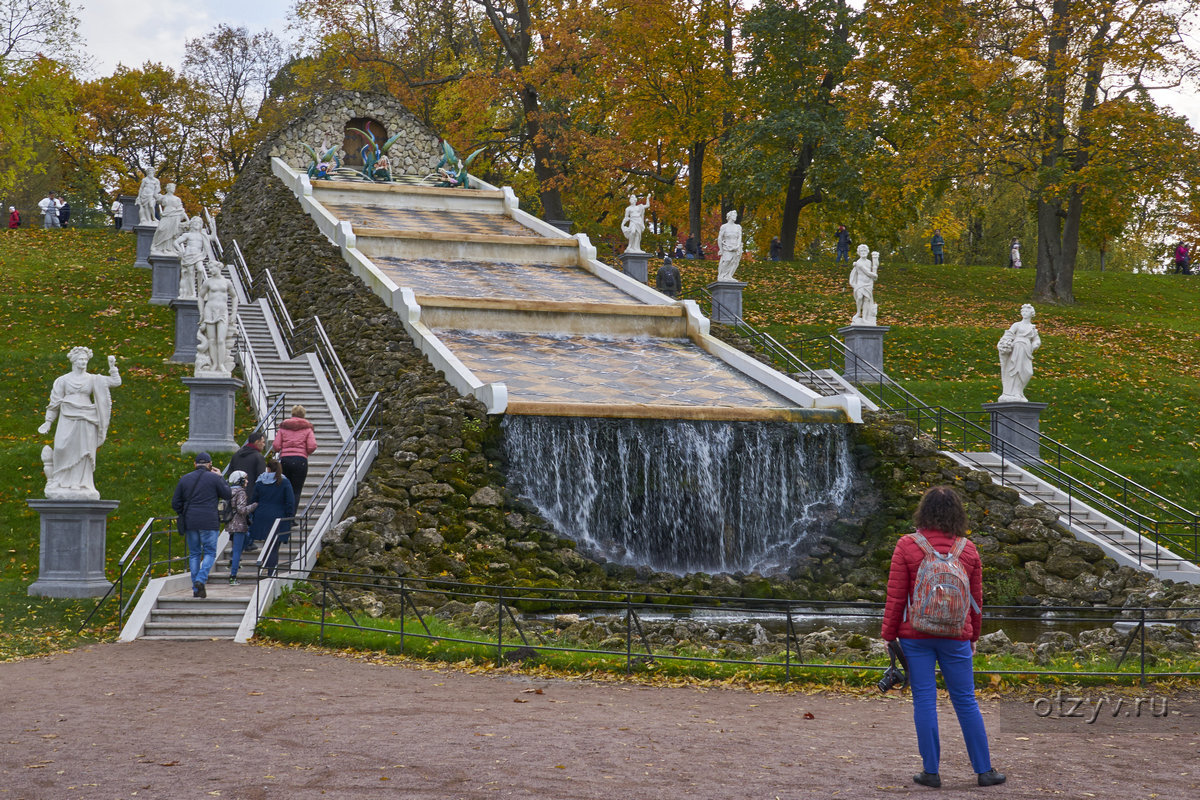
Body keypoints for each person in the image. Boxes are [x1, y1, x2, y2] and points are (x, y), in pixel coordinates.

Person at [882, 486, 1005, 789]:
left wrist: (888, 635)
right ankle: (984, 770)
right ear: (957, 514)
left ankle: (931, 772)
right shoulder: (968, 549)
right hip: (956, 636)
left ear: (923, 512)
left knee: (925, 700)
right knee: (966, 701)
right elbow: (976, 601)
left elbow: (896, 597)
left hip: (915, 635)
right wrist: (973, 635)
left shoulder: (907, 546)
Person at [37, 347, 121, 500]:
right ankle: (60, 482)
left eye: (85, 360)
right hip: (67, 416)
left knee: (83, 451)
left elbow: (115, 382)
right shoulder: (62, 380)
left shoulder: (93, 379)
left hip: (87, 418)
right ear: (74, 361)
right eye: (80, 360)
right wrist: (48, 422)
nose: (83, 362)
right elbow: (54, 404)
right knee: (62, 447)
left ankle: (81, 483)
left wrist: (112, 367)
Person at [171, 452, 232, 598]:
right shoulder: (214, 478)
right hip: (209, 521)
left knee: (194, 554)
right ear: (210, 464)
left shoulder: (185, 479)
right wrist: (221, 477)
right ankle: (200, 579)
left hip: (191, 521)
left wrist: (184, 512)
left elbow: (175, 503)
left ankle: (196, 589)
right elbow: (228, 494)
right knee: (210, 552)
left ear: (194, 464)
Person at [249, 460, 295, 572]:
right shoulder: (284, 482)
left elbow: (254, 499)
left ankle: (266, 567)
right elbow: (290, 501)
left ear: (268, 468)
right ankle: (271, 572)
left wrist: (253, 514)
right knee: (274, 546)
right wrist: (290, 516)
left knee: (268, 543)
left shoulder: (260, 481)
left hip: (262, 515)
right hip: (279, 516)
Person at [273, 405, 317, 504]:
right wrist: (305, 452)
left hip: (285, 460)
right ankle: (292, 516)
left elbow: (276, 446)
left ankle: (283, 515)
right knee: (296, 490)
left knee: (284, 488)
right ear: (303, 415)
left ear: (292, 414)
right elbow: (312, 446)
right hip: (300, 461)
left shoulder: (283, 428)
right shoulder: (308, 429)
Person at [997, 303, 1040, 402]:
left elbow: (1037, 340)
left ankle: (1019, 392)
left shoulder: (1032, 328)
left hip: (1026, 351)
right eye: (1023, 311)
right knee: (1014, 370)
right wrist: (1005, 343)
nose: (1024, 313)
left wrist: (1035, 345)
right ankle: (1012, 393)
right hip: (1017, 348)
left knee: (1028, 372)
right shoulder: (1017, 325)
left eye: (1027, 311)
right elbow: (1009, 335)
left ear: (1031, 314)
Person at [224, 470, 258, 585]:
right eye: (246, 479)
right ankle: (233, 576)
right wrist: (254, 505)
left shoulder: (228, 490)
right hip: (239, 524)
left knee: (239, 545)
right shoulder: (241, 492)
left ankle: (232, 561)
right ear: (240, 481)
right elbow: (242, 510)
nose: (247, 481)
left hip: (230, 524)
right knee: (238, 550)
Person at [228, 431, 268, 505]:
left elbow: (230, 473)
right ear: (257, 442)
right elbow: (261, 478)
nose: (264, 445)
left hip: (235, 495)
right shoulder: (258, 457)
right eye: (263, 442)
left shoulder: (236, 455)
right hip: (251, 497)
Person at [150, 183, 186, 255]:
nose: (173, 189)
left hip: (175, 216)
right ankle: (157, 246)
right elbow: (155, 196)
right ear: (168, 188)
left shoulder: (177, 199)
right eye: (172, 187)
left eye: (174, 187)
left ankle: (168, 248)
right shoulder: (163, 197)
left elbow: (181, 209)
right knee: (161, 229)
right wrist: (155, 186)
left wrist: (185, 219)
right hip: (166, 214)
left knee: (171, 232)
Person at [849, 244, 880, 326]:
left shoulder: (869, 262)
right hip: (860, 284)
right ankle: (858, 312)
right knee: (859, 297)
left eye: (865, 251)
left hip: (868, 284)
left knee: (867, 300)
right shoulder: (857, 263)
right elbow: (853, 275)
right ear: (859, 252)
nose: (863, 252)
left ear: (867, 252)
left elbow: (873, 274)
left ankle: (865, 318)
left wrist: (874, 274)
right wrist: (854, 285)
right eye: (861, 251)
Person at [716, 210, 743, 282]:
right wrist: (721, 249)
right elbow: (720, 238)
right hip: (727, 247)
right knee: (727, 260)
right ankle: (722, 276)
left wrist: (738, 245)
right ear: (729, 216)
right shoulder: (724, 226)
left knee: (734, 262)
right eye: (734, 215)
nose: (735, 217)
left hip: (736, 247)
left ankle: (729, 276)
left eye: (736, 216)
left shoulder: (738, 227)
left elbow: (739, 237)